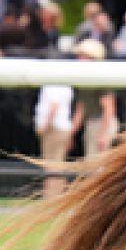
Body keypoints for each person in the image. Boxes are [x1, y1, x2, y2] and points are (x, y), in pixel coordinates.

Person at [33, 50, 87, 199]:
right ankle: (57, 196)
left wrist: (45, 124)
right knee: (55, 164)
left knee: (52, 165)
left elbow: (54, 106)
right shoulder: (64, 84)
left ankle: (52, 197)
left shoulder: (55, 83)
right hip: (59, 128)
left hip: (53, 128)